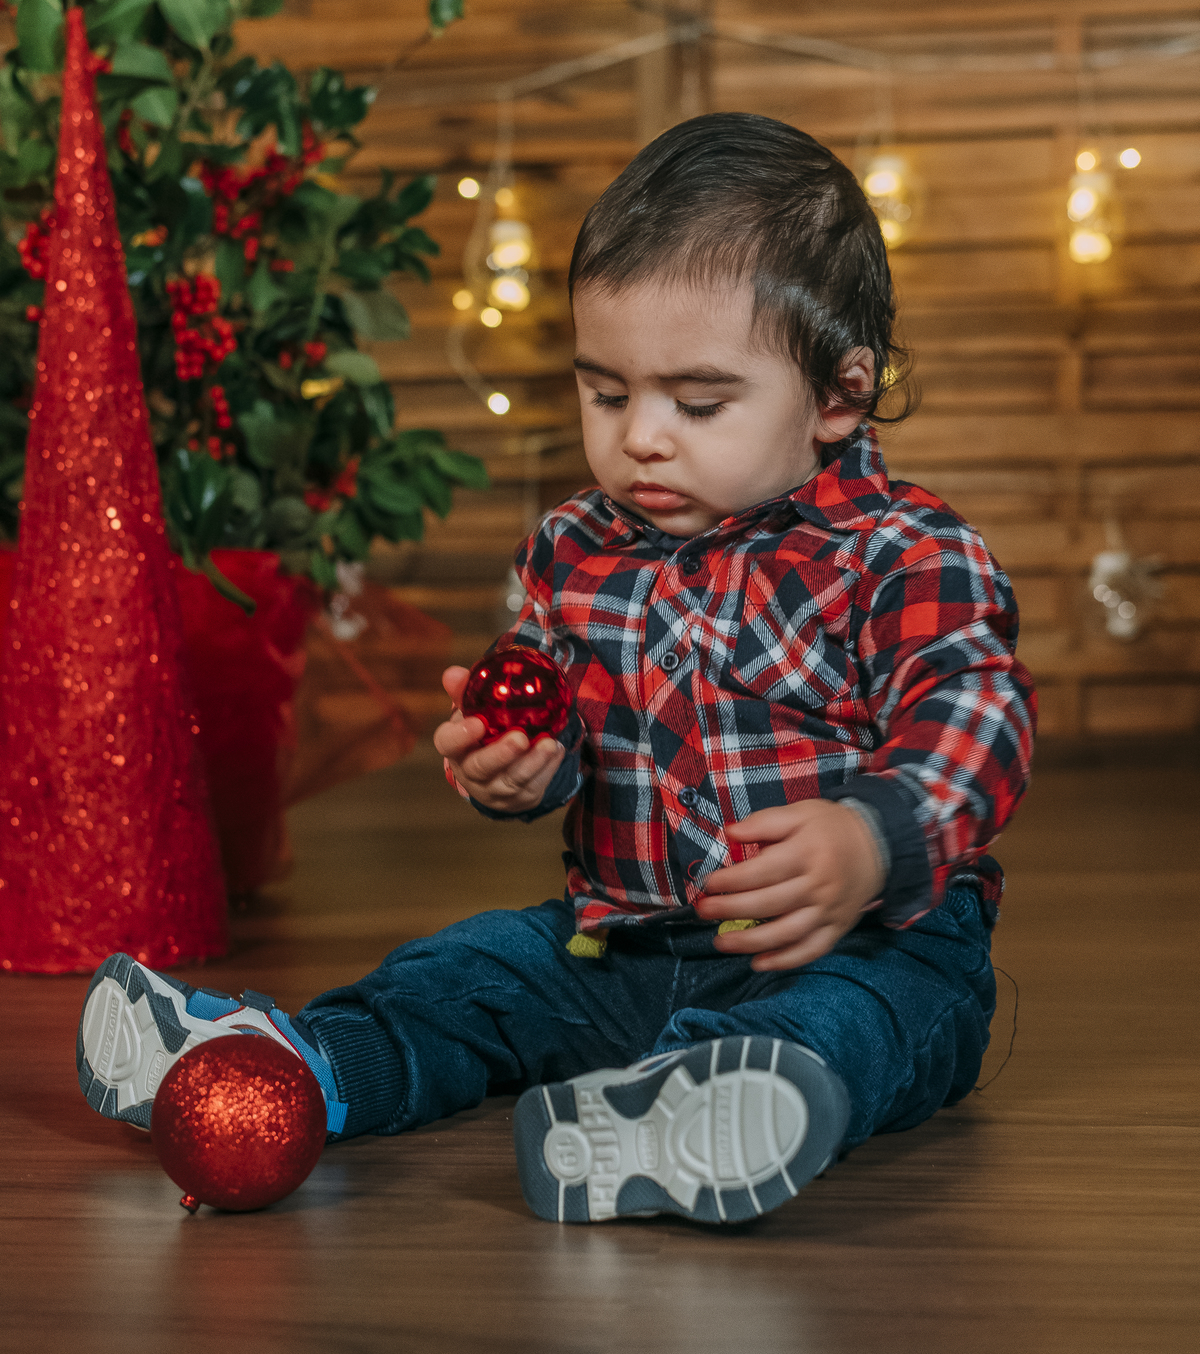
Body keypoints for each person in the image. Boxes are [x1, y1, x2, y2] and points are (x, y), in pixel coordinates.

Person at [77, 113, 1036, 1226]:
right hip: (620, 944)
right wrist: (521, 765)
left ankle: (700, 1112)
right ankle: (280, 1062)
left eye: (699, 402)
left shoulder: (902, 551)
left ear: (838, 395)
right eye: (608, 392)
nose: (642, 439)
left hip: (861, 946)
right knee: (463, 973)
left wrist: (876, 835)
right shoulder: (574, 549)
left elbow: (980, 711)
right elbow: (560, 720)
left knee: (853, 1024)